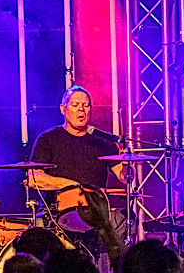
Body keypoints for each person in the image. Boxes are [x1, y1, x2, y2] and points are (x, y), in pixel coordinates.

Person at [27, 86, 125, 258]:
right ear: (63, 109)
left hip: (95, 214)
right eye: (75, 105)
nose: (81, 109)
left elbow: (124, 177)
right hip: (56, 214)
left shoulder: (103, 142)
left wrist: (126, 159)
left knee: (123, 222)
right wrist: (70, 185)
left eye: (86, 105)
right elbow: (34, 177)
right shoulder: (48, 139)